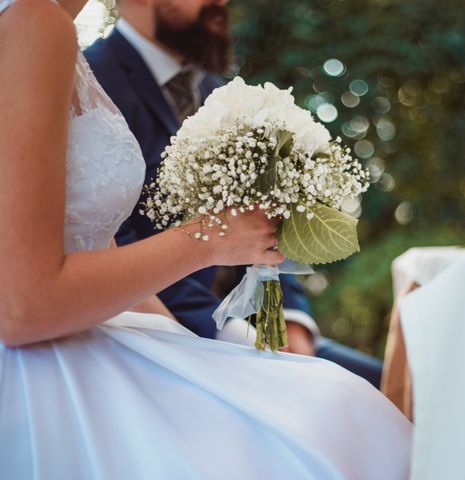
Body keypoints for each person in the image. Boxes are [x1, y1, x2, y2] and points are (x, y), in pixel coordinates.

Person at [0, 0, 412, 478]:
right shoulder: (36, 23)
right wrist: (212, 239)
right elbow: (22, 305)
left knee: (342, 402)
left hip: (133, 322)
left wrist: (206, 351)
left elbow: (93, 240)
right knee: (342, 420)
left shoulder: (54, 34)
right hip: (44, 374)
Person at [83, 0, 384, 387]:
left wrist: (292, 323)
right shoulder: (92, 85)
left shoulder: (217, 89)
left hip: (264, 331)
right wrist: (236, 339)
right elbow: (106, 242)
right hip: (169, 339)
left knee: (402, 393)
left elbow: (268, 213)